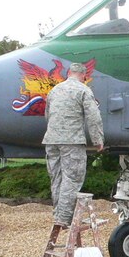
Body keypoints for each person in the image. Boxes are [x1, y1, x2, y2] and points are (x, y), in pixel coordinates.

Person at [42, 62, 104, 228]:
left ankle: (59, 214)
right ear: (84, 75)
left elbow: (47, 115)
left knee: (57, 178)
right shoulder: (83, 90)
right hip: (72, 141)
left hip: (51, 140)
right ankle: (64, 218)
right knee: (72, 179)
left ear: (68, 73)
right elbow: (93, 117)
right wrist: (98, 140)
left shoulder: (54, 90)